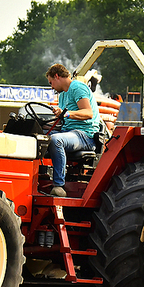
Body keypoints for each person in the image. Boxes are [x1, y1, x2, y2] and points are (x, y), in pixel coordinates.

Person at [46, 63, 101, 197]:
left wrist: (66, 113)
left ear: (57, 76)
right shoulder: (63, 95)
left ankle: (58, 185)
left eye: (51, 82)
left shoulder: (77, 87)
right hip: (69, 132)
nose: (51, 87)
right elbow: (63, 119)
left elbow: (88, 113)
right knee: (40, 137)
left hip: (85, 135)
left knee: (56, 140)